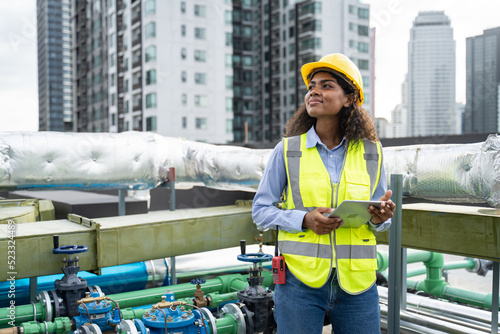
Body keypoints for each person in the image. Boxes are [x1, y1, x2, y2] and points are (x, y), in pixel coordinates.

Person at [252, 53, 396, 334]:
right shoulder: (288, 150)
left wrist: (381, 217)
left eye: (327, 85)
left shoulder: (371, 152)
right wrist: (304, 219)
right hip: (299, 284)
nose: (314, 91)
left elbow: (380, 219)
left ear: (349, 98)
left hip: (358, 285)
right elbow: (260, 211)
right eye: (311, 86)